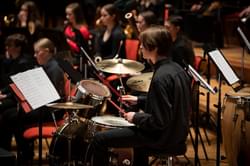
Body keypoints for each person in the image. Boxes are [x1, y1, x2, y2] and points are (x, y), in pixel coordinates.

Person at [89, 26, 192, 166]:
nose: (140, 47)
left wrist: (135, 117)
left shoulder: (160, 77)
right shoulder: (177, 69)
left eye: (143, 44)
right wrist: (139, 100)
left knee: (99, 139)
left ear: (154, 48)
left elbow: (159, 121)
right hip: (177, 134)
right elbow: (169, 104)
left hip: (162, 138)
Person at [0, 38, 65, 162]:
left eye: (37, 52)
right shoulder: (48, 65)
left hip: (51, 110)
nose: (34, 55)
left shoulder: (54, 68)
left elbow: (55, 96)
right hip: (44, 105)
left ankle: (23, 154)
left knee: (12, 116)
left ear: (46, 51)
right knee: (9, 113)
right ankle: (14, 152)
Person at [0, 33, 35, 111]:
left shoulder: (24, 63)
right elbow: (11, 83)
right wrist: (2, 91)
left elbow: (22, 87)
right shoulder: (14, 61)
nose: (7, 48)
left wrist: (5, 96)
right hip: (12, 95)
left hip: (19, 98)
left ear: (19, 48)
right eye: (7, 45)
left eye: (9, 45)